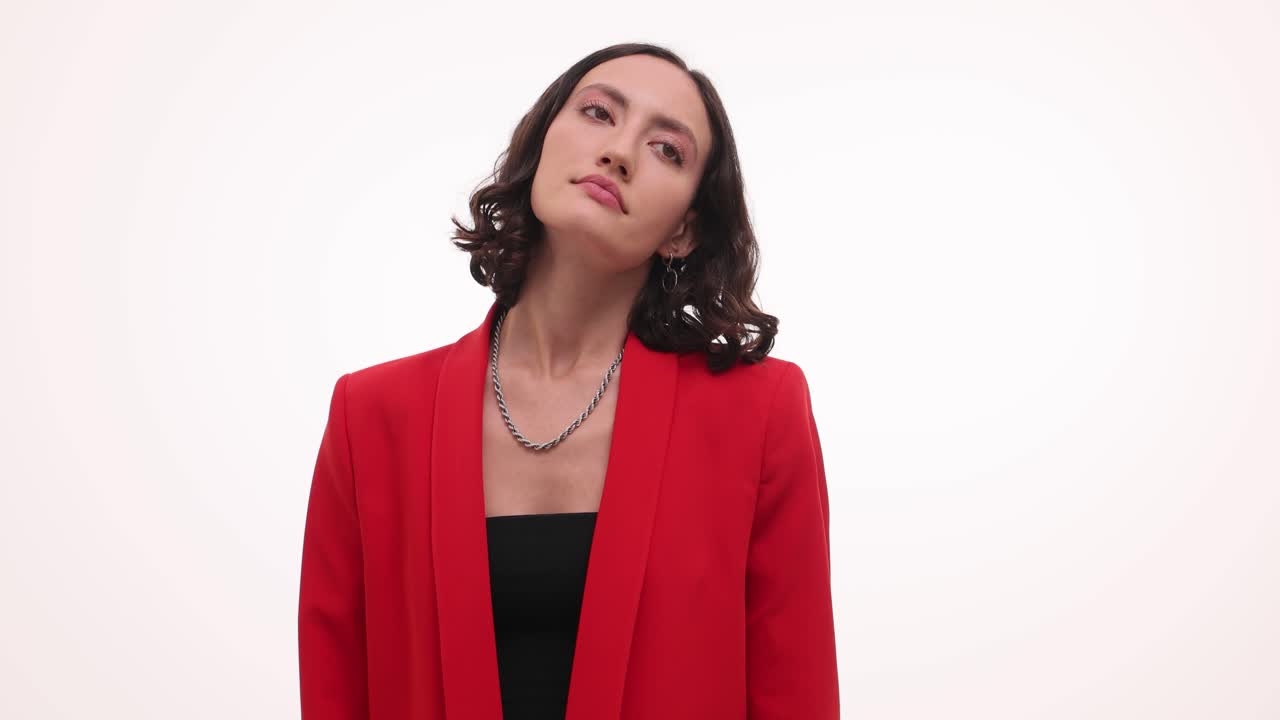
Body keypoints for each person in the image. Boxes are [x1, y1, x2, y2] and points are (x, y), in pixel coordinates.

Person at [298, 42, 839, 720]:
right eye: (598, 113)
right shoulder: (371, 418)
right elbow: (335, 691)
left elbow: (797, 693)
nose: (619, 153)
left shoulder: (758, 415)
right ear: (541, 144)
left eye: (667, 149)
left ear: (683, 230)